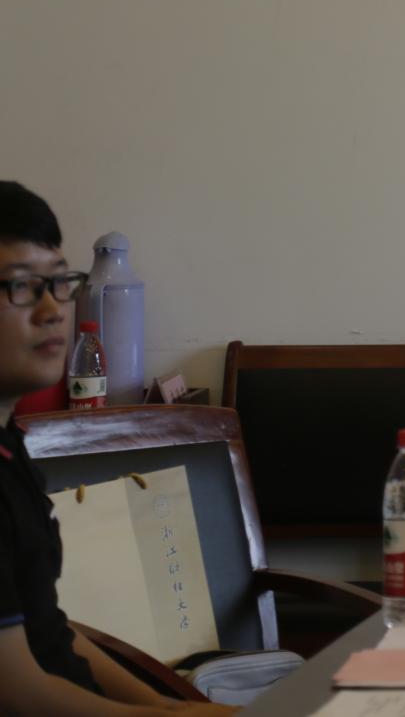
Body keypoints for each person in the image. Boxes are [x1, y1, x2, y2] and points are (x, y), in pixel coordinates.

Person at [0, 181, 235, 715]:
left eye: (59, 283)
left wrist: (167, 705)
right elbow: (17, 693)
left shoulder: (10, 444)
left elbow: (48, 626)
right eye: (22, 286)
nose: (52, 309)